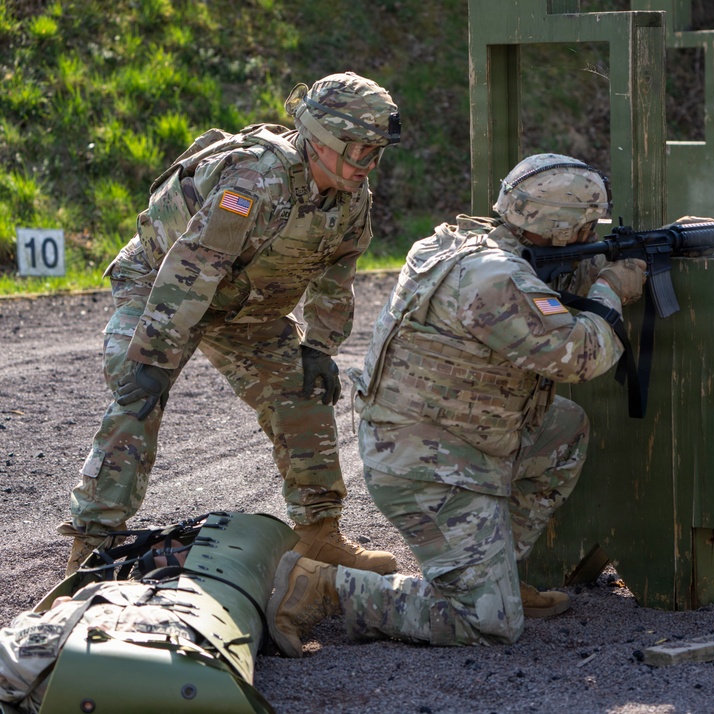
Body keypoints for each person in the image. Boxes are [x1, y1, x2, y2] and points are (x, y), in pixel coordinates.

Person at [264, 153, 649, 653]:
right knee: (488, 625)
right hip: (428, 466)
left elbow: (548, 289)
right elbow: (578, 356)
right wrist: (611, 290)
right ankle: (327, 587)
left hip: (443, 442)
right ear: (558, 230)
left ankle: (496, 577)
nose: (587, 236)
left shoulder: (463, 243)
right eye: (582, 227)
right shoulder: (493, 279)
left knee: (563, 428)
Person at [60, 72, 402, 578]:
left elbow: (338, 269)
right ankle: (91, 549)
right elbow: (194, 266)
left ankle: (319, 536)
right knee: (138, 395)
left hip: (246, 305)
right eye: (358, 150)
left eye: (376, 153)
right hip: (162, 285)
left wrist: (321, 348)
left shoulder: (353, 199)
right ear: (322, 141)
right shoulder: (255, 180)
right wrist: (154, 354)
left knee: (303, 392)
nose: (367, 164)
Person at [1, 512, 299, 712]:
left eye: (170, 550)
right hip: (176, 645)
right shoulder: (210, 601)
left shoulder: (114, 593)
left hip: (83, 643)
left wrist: (65, 607)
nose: (164, 551)